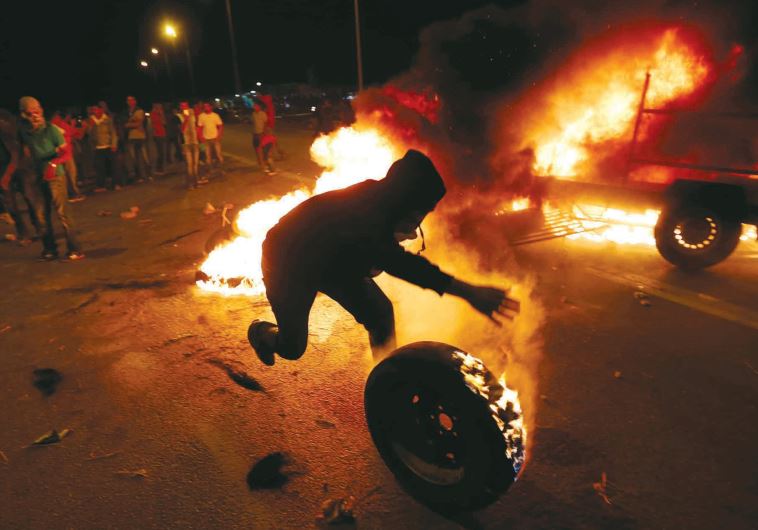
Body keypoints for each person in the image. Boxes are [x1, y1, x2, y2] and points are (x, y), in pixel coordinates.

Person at [247, 150, 520, 366]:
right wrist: (470, 292)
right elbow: (401, 264)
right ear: (403, 200)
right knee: (292, 348)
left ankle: (387, 383)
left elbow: (377, 248)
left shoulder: (381, 200)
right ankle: (261, 334)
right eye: (418, 212)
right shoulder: (367, 217)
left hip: (334, 261)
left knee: (380, 314)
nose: (419, 220)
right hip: (288, 260)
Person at [18, 96, 84, 261]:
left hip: (55, 176)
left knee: (63, 213)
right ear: (23, 114)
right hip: (37, 176)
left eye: (38, 110)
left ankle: (74, 248)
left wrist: (54, 164)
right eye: (31, 112)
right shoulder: (25, 133)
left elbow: (66, 153)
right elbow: (26, 153)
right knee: (41, 215)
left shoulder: (51, 129)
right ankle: (49, 249)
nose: (35, 114)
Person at [0, 109, 43, 246]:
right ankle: (23, 233)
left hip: (19, 168)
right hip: (3, 171)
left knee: (30, 199)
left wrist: (7, 176)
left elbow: (15, 153)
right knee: (10, 205)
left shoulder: (4, 128)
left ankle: (40, 228)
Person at [50, 111, 85, 202]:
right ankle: (73, 194)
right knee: (70, 173)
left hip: (60, 153)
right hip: (64, 153)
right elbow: (75, 134)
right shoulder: (58, 124)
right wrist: (75, 125)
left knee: (65, 174)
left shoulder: (51, 125)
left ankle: (68, 194)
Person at [89, 105, 120, 191]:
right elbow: (89, 135)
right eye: (93, 110)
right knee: (100, 167)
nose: (94, 111)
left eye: (96, 109)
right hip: (98, 147)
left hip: (108, 146)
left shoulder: (107, 120)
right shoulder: (91, 121)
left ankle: (115, 183)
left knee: (114, 166)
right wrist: (90, 126)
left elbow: (113, 132)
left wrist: (114, 144)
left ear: (101, 110)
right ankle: (101, 185)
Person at [124, 96, 152, 183]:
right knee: (134, 158)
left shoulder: (139, 110)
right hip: (131, 137)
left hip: (140, 136)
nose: (130, 102)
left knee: (144, 157)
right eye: (128, 100)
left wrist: (129, 124)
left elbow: (138, 123)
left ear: (135, 101)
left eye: (131, 100)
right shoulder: (126, 112)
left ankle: (148, 174)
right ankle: (139, 176)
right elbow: (124, 124)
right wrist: (132, 122)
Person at [178, 101, 203, 189]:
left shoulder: (192, 114)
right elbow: (181, 130)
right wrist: (185, 119)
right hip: (186, 143)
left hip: (195, 141)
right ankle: (190, 183)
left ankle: (196, 182)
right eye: (182, 106)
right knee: (189, 164)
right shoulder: (179, 116)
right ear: (180, 107)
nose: (185, 108)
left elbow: (197, 124)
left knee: (196, 164)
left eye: (186, 106)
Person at [197, 102, 224, 173]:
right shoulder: (201, 116)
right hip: (205, 139)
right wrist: (200, 137)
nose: (206, 108)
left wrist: (219, 135)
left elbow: (220, 126)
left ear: (210, 107)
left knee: (219, 154)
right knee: (207, 156)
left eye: (207, 106)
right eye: (204, 107)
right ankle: (210, 169)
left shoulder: (215, 115)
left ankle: (221, 168)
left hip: (215, 138)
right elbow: (199, 128)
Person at [150, 103, 167, 175]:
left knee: (162, 152)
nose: (160, 109)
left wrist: (162, 115)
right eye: (159, 108)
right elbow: (153, 123)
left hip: (162, 134)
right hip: (157, 135)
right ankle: (158, 168)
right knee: (160, 152)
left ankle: (160, 168)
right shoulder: (153, 114)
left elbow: (164, 123)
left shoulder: (161, 114)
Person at [251, 103, 267, 170]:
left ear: (259, 107)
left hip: (261, 133)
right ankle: (260, 161)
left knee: (260, 148)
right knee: (256, 147)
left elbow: (265, 123)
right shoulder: (253, 114)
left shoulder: (263, 114)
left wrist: (264, 132)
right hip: (255, 133)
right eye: (254, 106)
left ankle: (263, 162)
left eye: (256, 106)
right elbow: (253, 123)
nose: (254, 107)